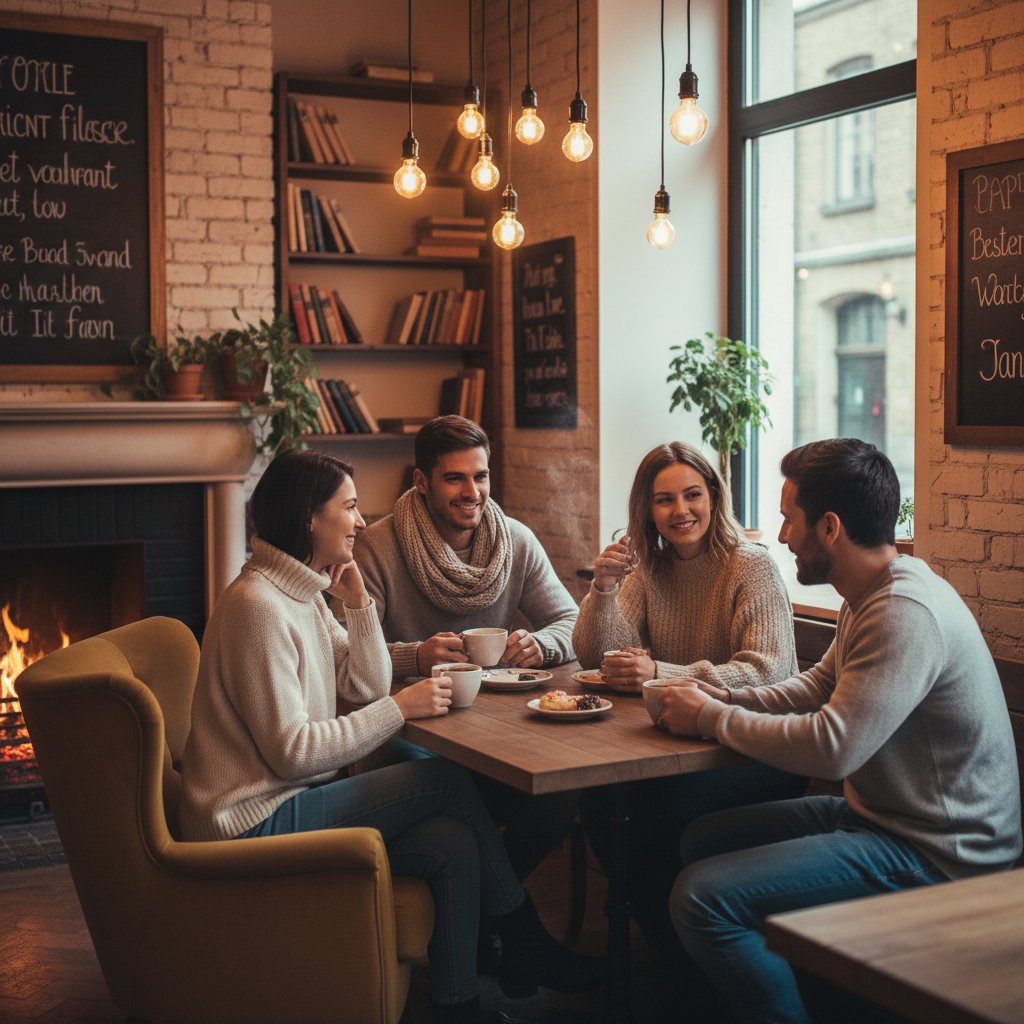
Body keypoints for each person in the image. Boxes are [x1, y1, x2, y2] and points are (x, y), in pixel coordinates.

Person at [180, 449, 603, 1024]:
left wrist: (357, 605)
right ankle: (520, 931)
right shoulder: (258, 607)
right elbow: (293, 752)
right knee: (446, 779)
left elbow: (367, 679)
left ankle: (460, 1006)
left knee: (452, 843)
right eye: (350, 507)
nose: (360, 521)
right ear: (310, 518)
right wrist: (400, 711)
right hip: (251, 821)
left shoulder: (300, 592)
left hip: (288, 801)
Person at [660, 438, 1022, 1024]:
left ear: (828, 528)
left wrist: (709, 718)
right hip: (882, 818)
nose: (780, 536)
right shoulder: (868, 592)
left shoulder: (904, 611)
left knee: (701, 897)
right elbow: (814, 687)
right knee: (702, 838)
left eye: (787, 519)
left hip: (941, 854)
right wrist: (725, 696)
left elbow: (833, 747)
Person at [573, 441, 805, 968]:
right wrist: (604, 588)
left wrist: (664, 673)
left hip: (754, 750)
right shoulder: (651, 568)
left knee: (652, 816)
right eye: (664, 500)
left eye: (692, 495)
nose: (680, 511)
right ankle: (671, 951)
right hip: (680, 742)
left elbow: (766, 671)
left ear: (715, 497)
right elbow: (597, 654)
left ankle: (686, 962)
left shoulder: (752, 566)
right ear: (646, 509)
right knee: (599, 805)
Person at [353, 415, 580, 886]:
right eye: (454, 478)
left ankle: (491, 913)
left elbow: (572, 621)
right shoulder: (376, 546)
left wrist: (540, 644)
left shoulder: (515, 541)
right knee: (452, 813)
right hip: (408, 737)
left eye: (480, 476)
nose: (472, 492)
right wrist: (416, 657)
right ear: (421, 481)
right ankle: (500, 920)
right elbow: (347, 655)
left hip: (495, 732)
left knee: (566, 794)